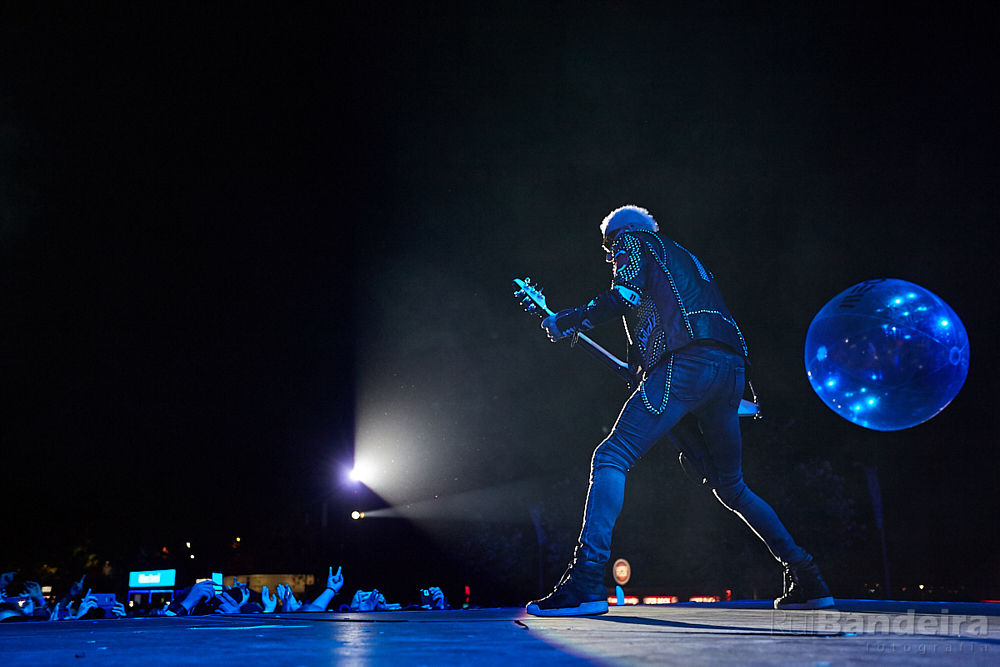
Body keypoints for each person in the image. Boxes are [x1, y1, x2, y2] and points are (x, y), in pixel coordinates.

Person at [526, 205, 833, 617]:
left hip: (686, 364)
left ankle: (585, 582)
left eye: (608, 246)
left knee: (611, 456)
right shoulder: (684, 257)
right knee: (733, 486)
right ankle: (808, 577)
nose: (610, 255)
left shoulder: (631, 242)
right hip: (730, 370)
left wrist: (576, 317)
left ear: (622, 234)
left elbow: (625, 294)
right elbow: (647, 340)